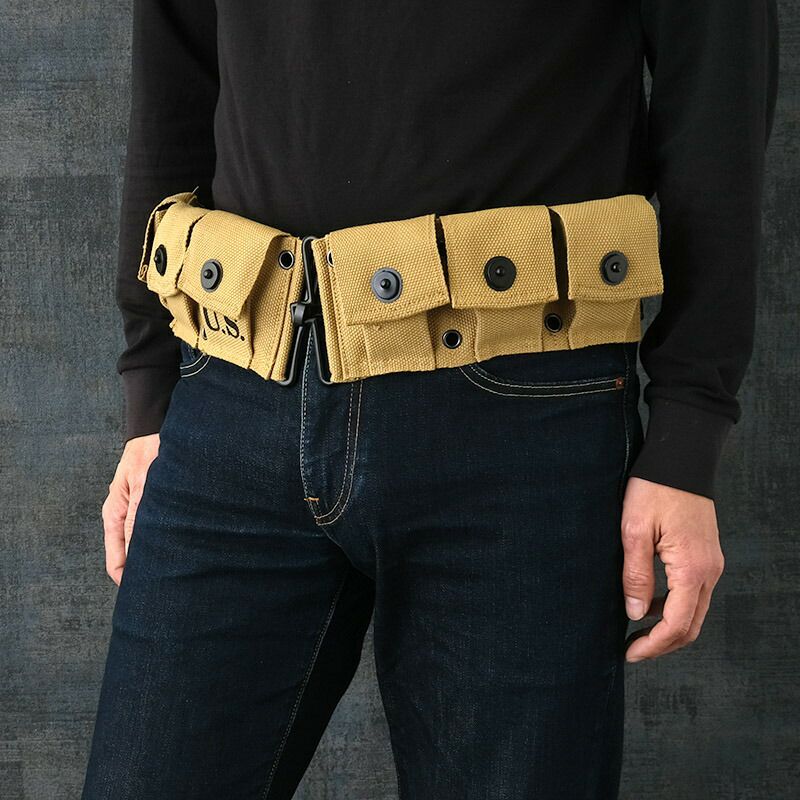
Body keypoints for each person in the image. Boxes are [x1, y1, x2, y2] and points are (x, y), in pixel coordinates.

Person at [82, 2, 779, 798]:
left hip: (523, 416)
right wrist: (151, 397)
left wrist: (687, 433)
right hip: (234, 398)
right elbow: (172, 77)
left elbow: (714, 115)